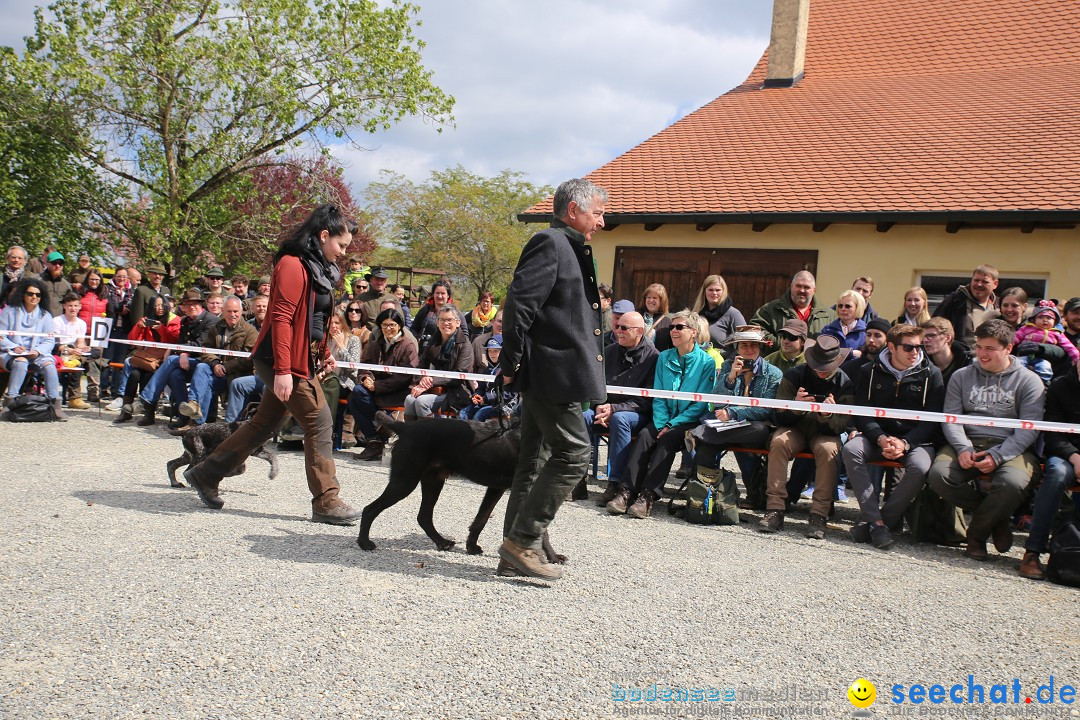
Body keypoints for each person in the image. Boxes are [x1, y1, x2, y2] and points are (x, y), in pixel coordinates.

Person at [182, 204, 363, 525]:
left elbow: (314, 319)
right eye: (341, 244)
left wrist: (323, 352)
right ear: (324, 236)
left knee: (262, 425)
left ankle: (206, 474)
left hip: (297, 356)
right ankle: (326, 500)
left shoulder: (316, 266)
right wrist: (282, 370)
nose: (344, 252)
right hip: (281, 358)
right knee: (320, 421)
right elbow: (280, 318)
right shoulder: (294, 265)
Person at [498, 178, 608, 581]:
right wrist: (511, 364)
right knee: (575, 455)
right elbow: (519, 306)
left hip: (554, 372)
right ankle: (522, 542)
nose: (602, 220)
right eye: (597, 212)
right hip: (549, 373)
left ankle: (516, 552)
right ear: (574, 210)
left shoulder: (569, 245)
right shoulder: (551, 242)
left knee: (533, 462)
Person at [928, 319, 1046, 561]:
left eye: (990, 348)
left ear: (1008, 349)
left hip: (1012, 446)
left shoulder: (1029, 381)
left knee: (1012, 483)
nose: (981, 354)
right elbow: (951, 418)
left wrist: (999, 455)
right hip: (967, 440)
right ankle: (996, 517)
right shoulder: (961, 376)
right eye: (979, 347)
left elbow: (1029, 429)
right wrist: (962, 447)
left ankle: (977, 534)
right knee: (939, 475)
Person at [605, 309, 715, 519]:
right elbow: (658, 395)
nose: (673, 330)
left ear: (694, 332)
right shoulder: (664, 357)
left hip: (687, 420)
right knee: (646, 436)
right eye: (672, 326)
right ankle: (625, 491)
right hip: (663, 416)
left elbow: (701, 403)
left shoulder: (706, 363)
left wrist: (673, 424)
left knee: (667, 440)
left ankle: (648, 496)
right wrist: (663, 422)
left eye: (679, 327)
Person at [842, 324, 945, 549]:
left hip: (914, 440)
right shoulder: (868, 371)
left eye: (919, 347)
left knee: (920, 467)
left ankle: (877, 522)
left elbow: (932, 421)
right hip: (876, 436)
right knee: (851, 450)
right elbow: (863, 412)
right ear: (891, 347)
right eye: (908, 347)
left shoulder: (932, 374)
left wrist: (905, 443)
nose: (915, 352)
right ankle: (877, 522)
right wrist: (880, 438)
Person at [757, 335, 855, 538]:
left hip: (825, 432)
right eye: (817, 365)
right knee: (779, 441)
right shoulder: (794, 375)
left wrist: (827, 416)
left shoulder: (845, 383)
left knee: (828, 450)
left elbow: (842, 426)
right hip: (797, 428)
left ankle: (819, 514)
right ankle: (775, 508)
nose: (820, 371)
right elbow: (779, 415)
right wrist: (796, 406)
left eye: (825, 366)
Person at [691, 325, 781, 508]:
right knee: (705, 449)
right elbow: (716, 400)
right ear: (737, 349)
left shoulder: (773, 373)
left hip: (752, 428)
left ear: (760, 348)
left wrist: (733, 412)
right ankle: (702, 499)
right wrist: (730, 378)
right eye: (744, 346)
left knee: (758, 430)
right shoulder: (727, 366)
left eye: (753, 345)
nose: (749, 350)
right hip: (727, 426)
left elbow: (766, 409)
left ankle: (700, 434)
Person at [581, 311, 659, 505]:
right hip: (606, 409)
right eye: (617, 327)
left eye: (624, 328)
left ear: (640, 331)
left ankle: (615, 484)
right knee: (581, 416)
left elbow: (647, 400)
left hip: (636, 414)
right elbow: (595, 385)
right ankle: (576, 479)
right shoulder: (608, 352)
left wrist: (614, 409)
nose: (618, 331)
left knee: (620, 419)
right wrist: (599, 406)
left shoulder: (654, 358)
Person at [1019, 359, 1080, 579]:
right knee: (1056, 476)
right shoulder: (1060, 386)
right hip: (1065, 454)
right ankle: (1033, 551)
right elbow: (1052, 434)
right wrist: (1074, 457)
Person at [134, 288, 218, 427]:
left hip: (206, 361)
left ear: (201, 304)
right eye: (188, 304)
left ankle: (147, 399)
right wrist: (179, 351)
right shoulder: (185, 321)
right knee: (175, 375)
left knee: (172, 360)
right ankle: (183, 416)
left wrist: (183, 353)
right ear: (183, 307)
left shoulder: (211, 321)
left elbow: (201, 344)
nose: (192, 307)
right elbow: (180, 342)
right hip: (188, 361)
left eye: (195, 303)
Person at [175, 296, 259, 429]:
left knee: (205, 378)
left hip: (237, 376)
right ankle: (194, 408)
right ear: (223, 311)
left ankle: (199, 422)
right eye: (229, 311)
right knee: (202, 368)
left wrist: (224, 367)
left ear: (241, 311)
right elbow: (205, 349)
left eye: (235, 311)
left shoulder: (250, 331)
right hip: (217, 371)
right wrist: (215, 364)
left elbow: (248, 360)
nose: (232, 315)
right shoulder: (217, 327)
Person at [348, 307, 419, 461]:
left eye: (392, 325)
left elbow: (404, 377)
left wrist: (377, 386)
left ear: (399, 325)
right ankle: (376, 439)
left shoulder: (408, 345)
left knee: (356, 399)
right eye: (385, 325)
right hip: (375, 389)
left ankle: (378, 434)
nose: (388, 329)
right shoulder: (375, 343)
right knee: (355, 396)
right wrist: (366, 378)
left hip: (397, 391)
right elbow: (365, 364)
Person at [0, 278, 65, 419]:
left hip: (37, 353)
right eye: (30, 294)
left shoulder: (45, 315)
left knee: (49, 365)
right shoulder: (9, 311)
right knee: (21, 362)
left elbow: (49, 339)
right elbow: (1, 336)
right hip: (11, 353)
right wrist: (14, 347)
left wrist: (37, 351)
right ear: (23, 294)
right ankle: (10, 402)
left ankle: (55, 405)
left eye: (38, 294)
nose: (34, 297)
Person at [113, 295, 179, 423]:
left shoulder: (174, 320)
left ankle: (149, 414)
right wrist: (139, 327)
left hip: (164, 359)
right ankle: (126, 411)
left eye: (162, 305)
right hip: (147, 358)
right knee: (134, 375)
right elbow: (132, 340)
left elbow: (174, 340)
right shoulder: (146, 320)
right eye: (156, 306)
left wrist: (161, 329)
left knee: (148, 376)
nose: (159, 308)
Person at [404, 305, 474, 419]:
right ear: (437, 322)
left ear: (458, 322)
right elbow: (421, 365)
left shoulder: (465, 345)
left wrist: (431, 381)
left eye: (449, 320)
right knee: (409, 399)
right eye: (442, 320)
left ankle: (433, 436)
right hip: (431, 388)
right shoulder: (432, 342)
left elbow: (459, 375)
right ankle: (412, 436)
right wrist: (424, 378)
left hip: (455, 391)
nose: (445, 323)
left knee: (422, 402)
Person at [750, 270, 836, 345]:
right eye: (798, 286)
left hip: (815, 363)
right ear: (791, 286)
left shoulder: (829, 316)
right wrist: (780, 344)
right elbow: (755, 330)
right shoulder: (770, 309)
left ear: (814, 290)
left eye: (806, 287)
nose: (802, 290)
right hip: (779, 362)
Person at [932, 264, 1001, 350]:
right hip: (961, 358)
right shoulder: (956, 301)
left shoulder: (1000, 305)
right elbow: (935, 326)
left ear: (995, 284)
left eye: (985, 282)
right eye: (976, 280)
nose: (979, 284)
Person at [1014, 299, 1079, 383]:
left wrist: (1078, 359)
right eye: (1075, 313)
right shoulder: (1027, 328)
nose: (1045, 320)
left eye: (1049, 317)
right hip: (1025, 358)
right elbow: (1014, 338)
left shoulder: (1057, 334)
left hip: (1059, 381)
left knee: (1044, 368)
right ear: (1065, 315)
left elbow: (1070, 349)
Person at [692, 274, 746, 347]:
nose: (714, 293)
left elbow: (744, 341)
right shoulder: (696, 314)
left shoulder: (733, 314)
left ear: (723, 291)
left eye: (718, 290)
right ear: (704, 292)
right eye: (710, 290)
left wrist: (731, 358)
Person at [920, 317, 971, 385]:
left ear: (947, 338)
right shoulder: (921, 364)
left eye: (931, 335)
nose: (925, 340)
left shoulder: (967, 364)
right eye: (923, 336)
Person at [820, 288, 867, 356]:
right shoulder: (828, 330)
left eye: (848, 306)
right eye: (840, 306)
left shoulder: (865, 332)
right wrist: (850, 353)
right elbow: (822, 352)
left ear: (858, 308)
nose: (843, 309)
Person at [39, 251, 73, 317]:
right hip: (40, 319)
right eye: (54, 263)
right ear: (47, 264)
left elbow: (70, 305)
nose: (57, 266)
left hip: (59, 322)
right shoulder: (38, 280)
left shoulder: (66, 285)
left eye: (60, 263)